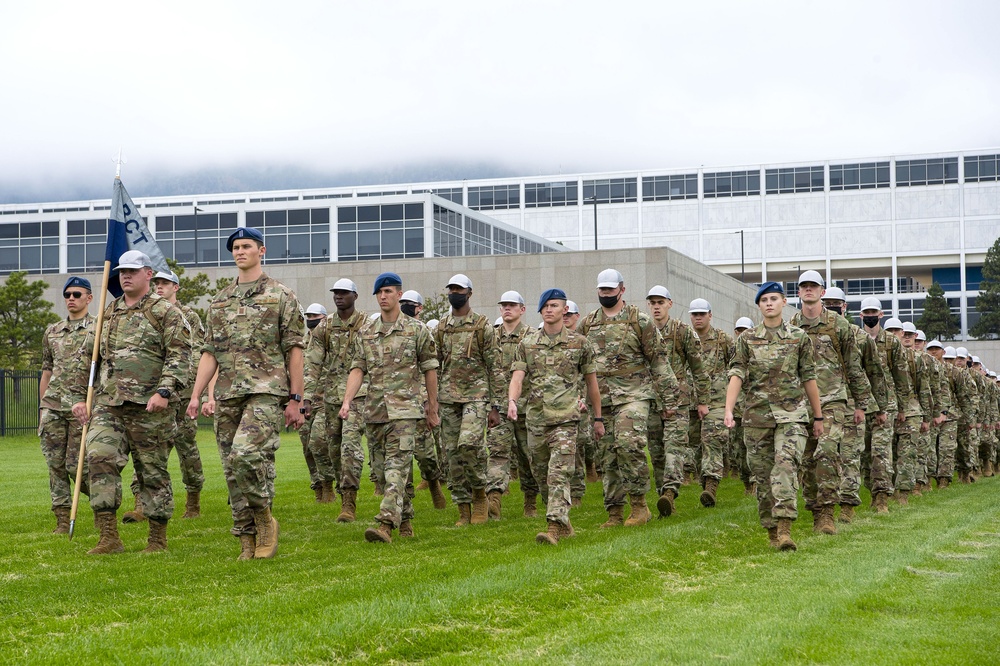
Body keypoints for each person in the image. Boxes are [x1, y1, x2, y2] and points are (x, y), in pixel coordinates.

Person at [186, 227, 306, 560]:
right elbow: (210, 352)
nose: (240, 251)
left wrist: (296, 399)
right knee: (231, 469)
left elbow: (295, 350)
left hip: (267, 391)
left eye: (246, 246)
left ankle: (266, 521)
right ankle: (246, 539)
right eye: (236, 247)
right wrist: (196, 395)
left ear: (261, 251)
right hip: (227, 394)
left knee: (245, 454)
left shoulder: (281, 295)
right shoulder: (220, 300)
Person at [72, 251, 190, 555]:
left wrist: (164, 392)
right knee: (98, 459)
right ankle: (109, 536)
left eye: (132, 271)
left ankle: (157, 539)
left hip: (150, 407)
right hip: (110, 405)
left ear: (148, 274)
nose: (125, 276)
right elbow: (89, 357)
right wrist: (79, 398)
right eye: (122, 271)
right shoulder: (108, 314)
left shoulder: (166, 312)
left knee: (152, 471)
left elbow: (180, 356)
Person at [339, 272, 439, 543]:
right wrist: (348, 400)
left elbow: (430, 369)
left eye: (388, 291)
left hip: (406, 411)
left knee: (397, 467)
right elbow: (358, 368)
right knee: (383, 474)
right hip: (375, 411)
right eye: (379, 292)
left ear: (399, 294)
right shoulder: (367, 332)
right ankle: (405, 518)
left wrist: (432, 406)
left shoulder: (417, 330)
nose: (383, 296)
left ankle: (384, 524)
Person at [724, 281, 823, 552]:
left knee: (785, 465)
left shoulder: (798, 338)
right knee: (763, 475)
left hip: (791, 415)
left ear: (783, 303)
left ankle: (784, 529)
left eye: (774, 299)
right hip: (757, 417)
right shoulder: (747, 339)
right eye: (764, 299)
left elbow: (809, 378)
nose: (769, 303)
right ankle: (771, 528)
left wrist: (818, 417)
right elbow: (737, 374)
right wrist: (729, 409)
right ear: (759, 305)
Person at [578, 269, 679, 528]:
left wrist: (669, 401)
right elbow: (578, 365)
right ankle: (614, 512)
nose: (606, 294)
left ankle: (638, 506)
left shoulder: (639, 321)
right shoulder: (588, 323)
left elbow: (658, 362)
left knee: (628, 444)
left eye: (610, 290)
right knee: (607, 453)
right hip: (601, 399)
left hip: (634, 394)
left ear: (621, 290)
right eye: (602, 290)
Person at [508, 289, 604, 545]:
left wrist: (598, 417)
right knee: (542, 477)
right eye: (545, 306)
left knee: (559, 474)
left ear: (565, 310)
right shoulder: (527, 344)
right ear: (540, 311)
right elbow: (517, 377)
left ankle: (553, 528)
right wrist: (512, 401)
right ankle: (565, 522)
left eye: (554, 305)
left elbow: (592, 383)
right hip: (536, 419)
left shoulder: (580, 344)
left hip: (566, 419)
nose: (549, 310)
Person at [791, 271, 872, 535]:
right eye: (804, 286)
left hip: (834, 401)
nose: (809, 290)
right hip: (800, 405)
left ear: (823, 292)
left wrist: (861, 404)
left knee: (826, 453)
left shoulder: (839, 325)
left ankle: (827, 513)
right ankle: (814, 508)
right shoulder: (790, 326)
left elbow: (853, 366)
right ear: (799, 292)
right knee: (806, 460)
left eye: (813, 286)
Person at [434, 274, 504, 526]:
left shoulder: (482, 326)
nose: (455, 293)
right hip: (448, 398)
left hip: (477, 396)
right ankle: (463, 507)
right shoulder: (442, 327)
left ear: (469, 293)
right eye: (451, 288)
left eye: (459, 289)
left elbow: (495, 366)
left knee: (469, 445)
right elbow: (435, 365)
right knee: (451, 454)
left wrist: (496, 406)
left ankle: (479, 495)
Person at [821, 287, 891, 523]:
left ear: (844, 307)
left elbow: (874, 373)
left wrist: (879, 408)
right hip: (823, 406)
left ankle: (848, 505)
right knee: (826, 457)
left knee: (851, 455)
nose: (832, 307)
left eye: (836, 303)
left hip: (852, 407)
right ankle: (825, 505)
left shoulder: (859, 337)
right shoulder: (812, 334)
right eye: (827, 302)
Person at [644, 285, 710, 518]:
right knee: (657, 453)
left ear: (669, 304)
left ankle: (670, 492)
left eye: (660, 302)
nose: (656, 307)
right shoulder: (644, 331)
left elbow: (699, 369)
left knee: (674, 448)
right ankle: (665, 497)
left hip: (678, 401)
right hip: (652, 401)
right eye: (652, 303)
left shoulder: (682, 332)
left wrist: (702, 401)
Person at [39, 276, 94, 534]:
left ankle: (102, 502)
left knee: (76, 466)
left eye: (77, 294)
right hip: (53, 405)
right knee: (55, 464)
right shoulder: (52, 331)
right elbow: (47, 371)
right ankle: (62, 519)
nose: (71, 298)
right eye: (68, 294)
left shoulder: (98, 329)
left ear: (89, 298)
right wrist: (42, 408)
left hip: (81, 407)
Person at [486, 290, 536, 519]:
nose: (507, 308)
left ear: (522, 310)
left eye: (512, 305)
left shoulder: (532, 337)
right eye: (504, 305)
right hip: (497, 406)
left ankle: (530, 502)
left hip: (525, 406)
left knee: (528, 457)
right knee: (497, 452)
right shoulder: (490, 336)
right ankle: (494, 498)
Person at [859, 298, 911, 513]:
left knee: (881, 451)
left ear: (881, 314)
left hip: (886, 404)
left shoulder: (891, 342)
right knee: (864, 452)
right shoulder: (855, 339)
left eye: (874, 311)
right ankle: (871, 490)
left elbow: (901, 376)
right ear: (861, 315)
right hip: (861, 403)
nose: (870, 315)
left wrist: (902, 407)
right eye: (866, 312)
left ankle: (881, 497)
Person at [399, 289, 447, 508]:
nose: (405, 306)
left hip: (420, 400)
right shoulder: (393, 330)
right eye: (403, 302)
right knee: (399, 455)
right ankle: (403, 501)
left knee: (426, 453)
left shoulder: (424, 331)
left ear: (419, 308)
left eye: (409, 303)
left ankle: (434, 483)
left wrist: (432, 403)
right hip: (398, 401)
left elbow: (432, 368)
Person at [686, 298, 735, 508]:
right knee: (694, 447)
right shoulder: (685, 338)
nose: (698, 317)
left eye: (702, 314)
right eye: (694, 314)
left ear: (710, 315)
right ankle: (703, 481)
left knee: (713, 442)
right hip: (690, 401)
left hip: (716, 401)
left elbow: (737, 366)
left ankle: (711, 487)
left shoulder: (722, 340)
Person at [884, 318, 931, 505]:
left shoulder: (916, 358)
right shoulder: (878, 353)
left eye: (897, 331)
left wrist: (927, 417)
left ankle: (903, 491)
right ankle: (884, 491)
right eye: (890, 331)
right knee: (888, 453)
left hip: (911, 411)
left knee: (907, 453)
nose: (893, 334)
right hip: (886, 409)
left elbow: (924, 388)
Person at [565, 300, 599, 484]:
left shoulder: (584, 340)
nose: (565, 319)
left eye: (569, 315)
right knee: (574, 440)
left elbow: (590, 372)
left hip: (587, 392)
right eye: (563, 315)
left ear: (577, 317)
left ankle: (591, 463)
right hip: (567, 394)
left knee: (586, 438)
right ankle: (576, 485)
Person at [300, 302, 329, 503]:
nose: (311, 320)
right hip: (304, 401)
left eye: (315, 316)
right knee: (307, 447)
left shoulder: (330, 340)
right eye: (308, 316)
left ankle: (328, 483)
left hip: (325, 400)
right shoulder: (301, 343)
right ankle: (317, 485)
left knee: (318, 441)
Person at [925, 341, 958, 488]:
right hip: (930, 413)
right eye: (930, 349)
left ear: (943, 352)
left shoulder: (951, 371)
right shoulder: (924, 365)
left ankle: (944, 478)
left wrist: (944, 411)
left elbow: (948, 392)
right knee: (929, 447)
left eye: (936, 349)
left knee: (946, 448)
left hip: (949, 415)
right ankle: (928, 478)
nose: (933, 352)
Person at [729, 316, 756, 496]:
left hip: (754, 408)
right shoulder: (731, 352)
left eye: (745, 330)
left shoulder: (758, 352)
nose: (741, 334)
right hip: (738, 409)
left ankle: (756, 483)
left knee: (754, 447)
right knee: (738, 449)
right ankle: (746, 481)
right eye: (739, 330)